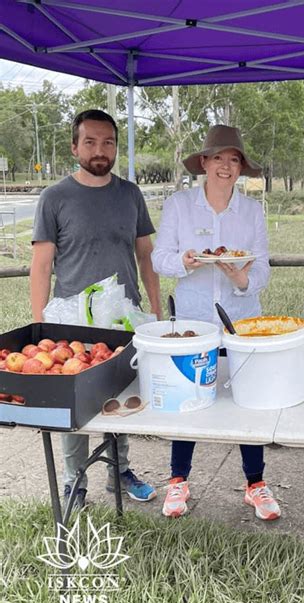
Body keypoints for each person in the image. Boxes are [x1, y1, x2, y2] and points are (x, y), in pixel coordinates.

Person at [30, 109, 162, 509]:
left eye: (108, 142)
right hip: (71, 323)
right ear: (74, 147)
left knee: (120, 397)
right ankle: (75, 480)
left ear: (116, 148)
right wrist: (39, 327)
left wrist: (156, 313)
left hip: (124, 318)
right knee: (74, 404)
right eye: (90, 141)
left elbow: (146, 257)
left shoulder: (130, 194)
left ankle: (119, 471)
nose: (100, 150)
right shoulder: (54, 198)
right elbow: (41, 265)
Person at [152, 124, 281, 521]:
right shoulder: (179, 205)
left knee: (247, 398)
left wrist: (242, 279)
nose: (225, 166)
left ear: (240, 168)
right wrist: (184, 262)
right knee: (185, 394)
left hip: (240, 320)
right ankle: (178, 480)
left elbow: (261, 267)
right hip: (193, 321)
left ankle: (255, 483)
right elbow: (160, 259)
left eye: (234, 159)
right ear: (203, 163)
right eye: (218, 158)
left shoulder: (252, 211)